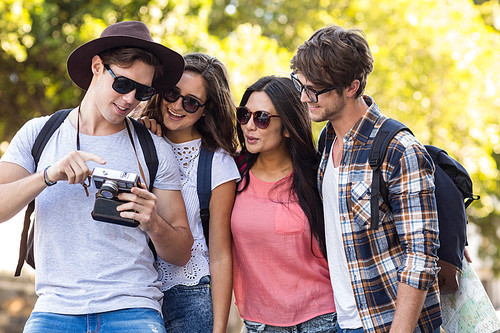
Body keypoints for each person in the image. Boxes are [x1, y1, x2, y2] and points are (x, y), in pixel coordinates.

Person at [0, 21, 193, 332]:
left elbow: (182, 252)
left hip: (133, 310)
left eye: (143, 92)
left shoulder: (155, 149)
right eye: (123, 84)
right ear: (97, 67)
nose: (131, 99)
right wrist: (48, 175)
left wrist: (153, 221)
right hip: (54, 310)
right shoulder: (39, 133)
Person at [290, 25, 441, 333]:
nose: (305, 98)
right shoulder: (327, 141)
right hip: (342, 321)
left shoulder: (398, 149)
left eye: (314, 90)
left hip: (388, 323)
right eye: (300, 85)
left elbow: (421, 258)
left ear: (351, 87)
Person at [138, 52, 240, 333]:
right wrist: (140, 136)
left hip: (190, 298)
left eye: (191, 102)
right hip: (132, 293)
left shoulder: (217, 163)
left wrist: (219, 329)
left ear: (206, 109)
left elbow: (220, 254)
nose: (177, 105)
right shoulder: (136, 139)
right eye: (172, 93)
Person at [231, 76, 336, 333]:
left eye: (262, 118)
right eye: (245, 115)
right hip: (260, 323)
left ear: (288, 127)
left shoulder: (318, 176)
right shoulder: (232, 173)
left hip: (321, 319)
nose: (249, 126)